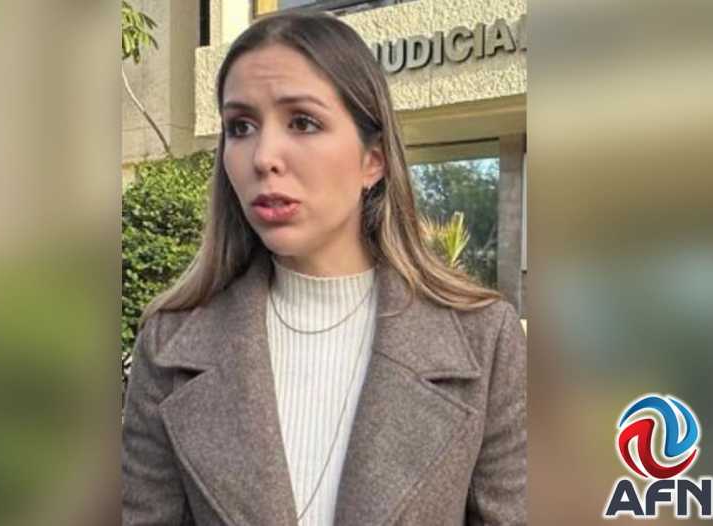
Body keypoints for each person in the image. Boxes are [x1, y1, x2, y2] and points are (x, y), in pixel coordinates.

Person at [122, 11, 526, 526]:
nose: (264, 156)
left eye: (303, 122)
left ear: (373, 160)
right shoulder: (169, 344)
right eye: (240, 127)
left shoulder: (485, 340)